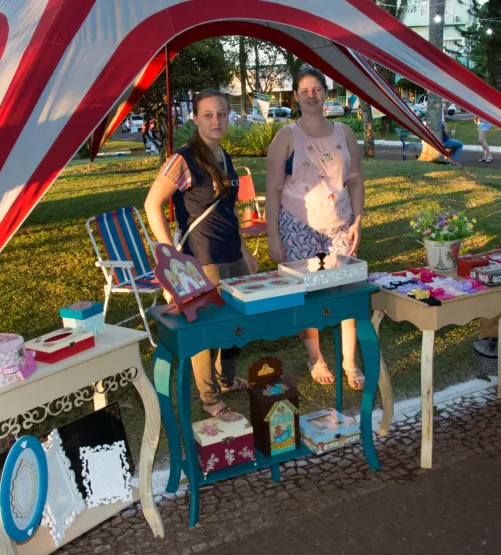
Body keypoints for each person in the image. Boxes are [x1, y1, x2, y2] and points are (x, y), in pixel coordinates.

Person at [143, 89, 248, 417]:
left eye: (221, 114)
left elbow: (230, 209)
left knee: (239, 321)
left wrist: (244, 250)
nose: (216, 120)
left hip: (231, 252)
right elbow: (151, 204)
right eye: (208, 115)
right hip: (203, 256)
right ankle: (210, 399)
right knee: (207, 330)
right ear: (196, 118)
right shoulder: (184, 158)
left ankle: (226, 379)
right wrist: (169, 254)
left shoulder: (224, 156)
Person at [266, 67, 366, 390]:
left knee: (347, 293)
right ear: (295, 96)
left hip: (340, 226)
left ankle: (350, 362)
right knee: (306, 296)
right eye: (305, 90)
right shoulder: (286, 137)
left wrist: (358, 221)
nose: (311, 95)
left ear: (326, 93)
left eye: (317, 89)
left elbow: (355, 181)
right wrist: (273, 236)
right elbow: (273, 191)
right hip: (299, 225)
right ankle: (316, 356)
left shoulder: (345, 133)